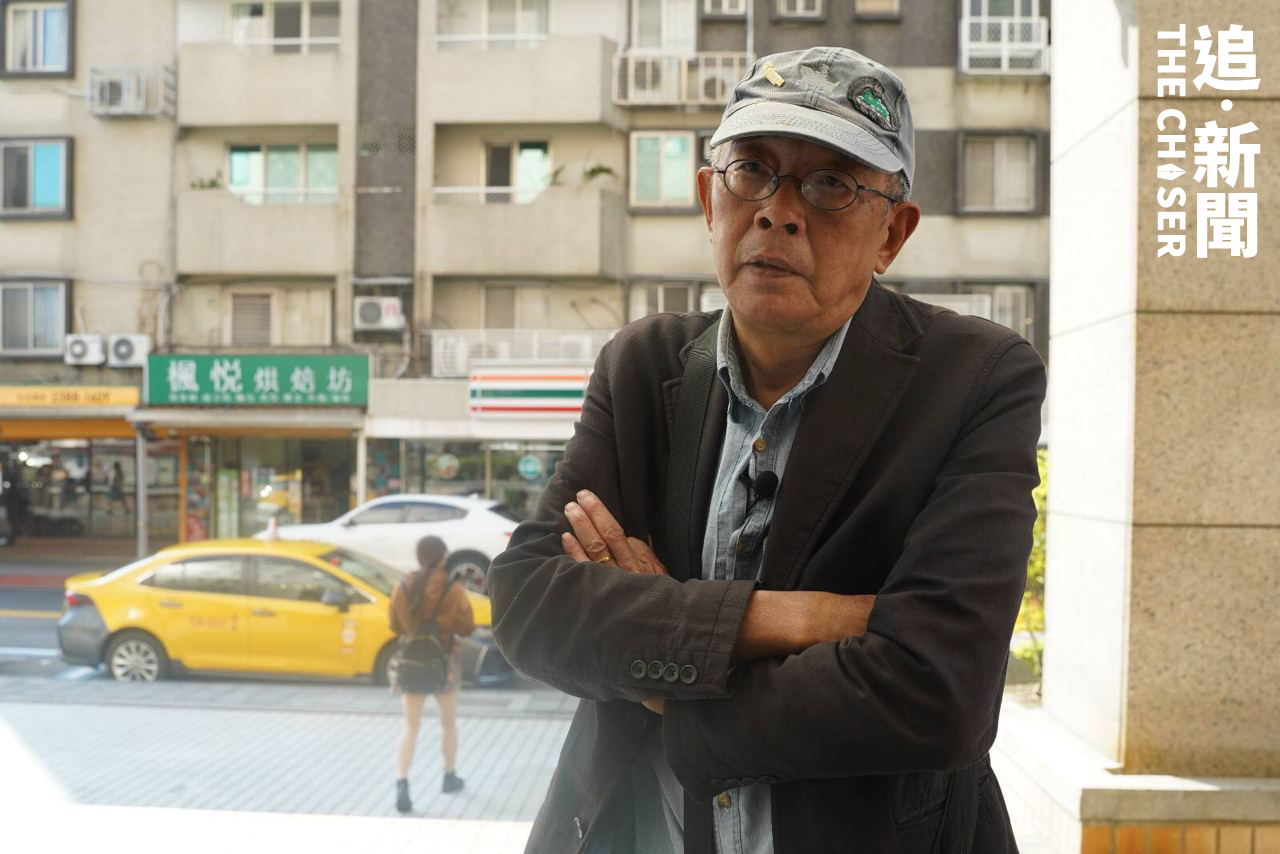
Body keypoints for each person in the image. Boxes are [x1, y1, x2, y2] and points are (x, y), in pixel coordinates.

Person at [488, 47, 1045, 853]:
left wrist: (670, 677)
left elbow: (940, 692)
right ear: (709, 198)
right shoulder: (642, 367)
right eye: (752, 170)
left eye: (832, 184)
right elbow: (531, 605)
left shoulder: (974, 379)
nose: (779, 212)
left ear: (892, 234)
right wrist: (793, 618)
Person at [389, 534, 476, 813]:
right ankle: (449, 776)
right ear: (442, 557)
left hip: (411, 663)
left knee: (410, 727)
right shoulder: (453, 589)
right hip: (444, 664)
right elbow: (467, 628)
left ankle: (402, 783)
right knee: (448, 723)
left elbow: (395, 625)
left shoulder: (402, 587)